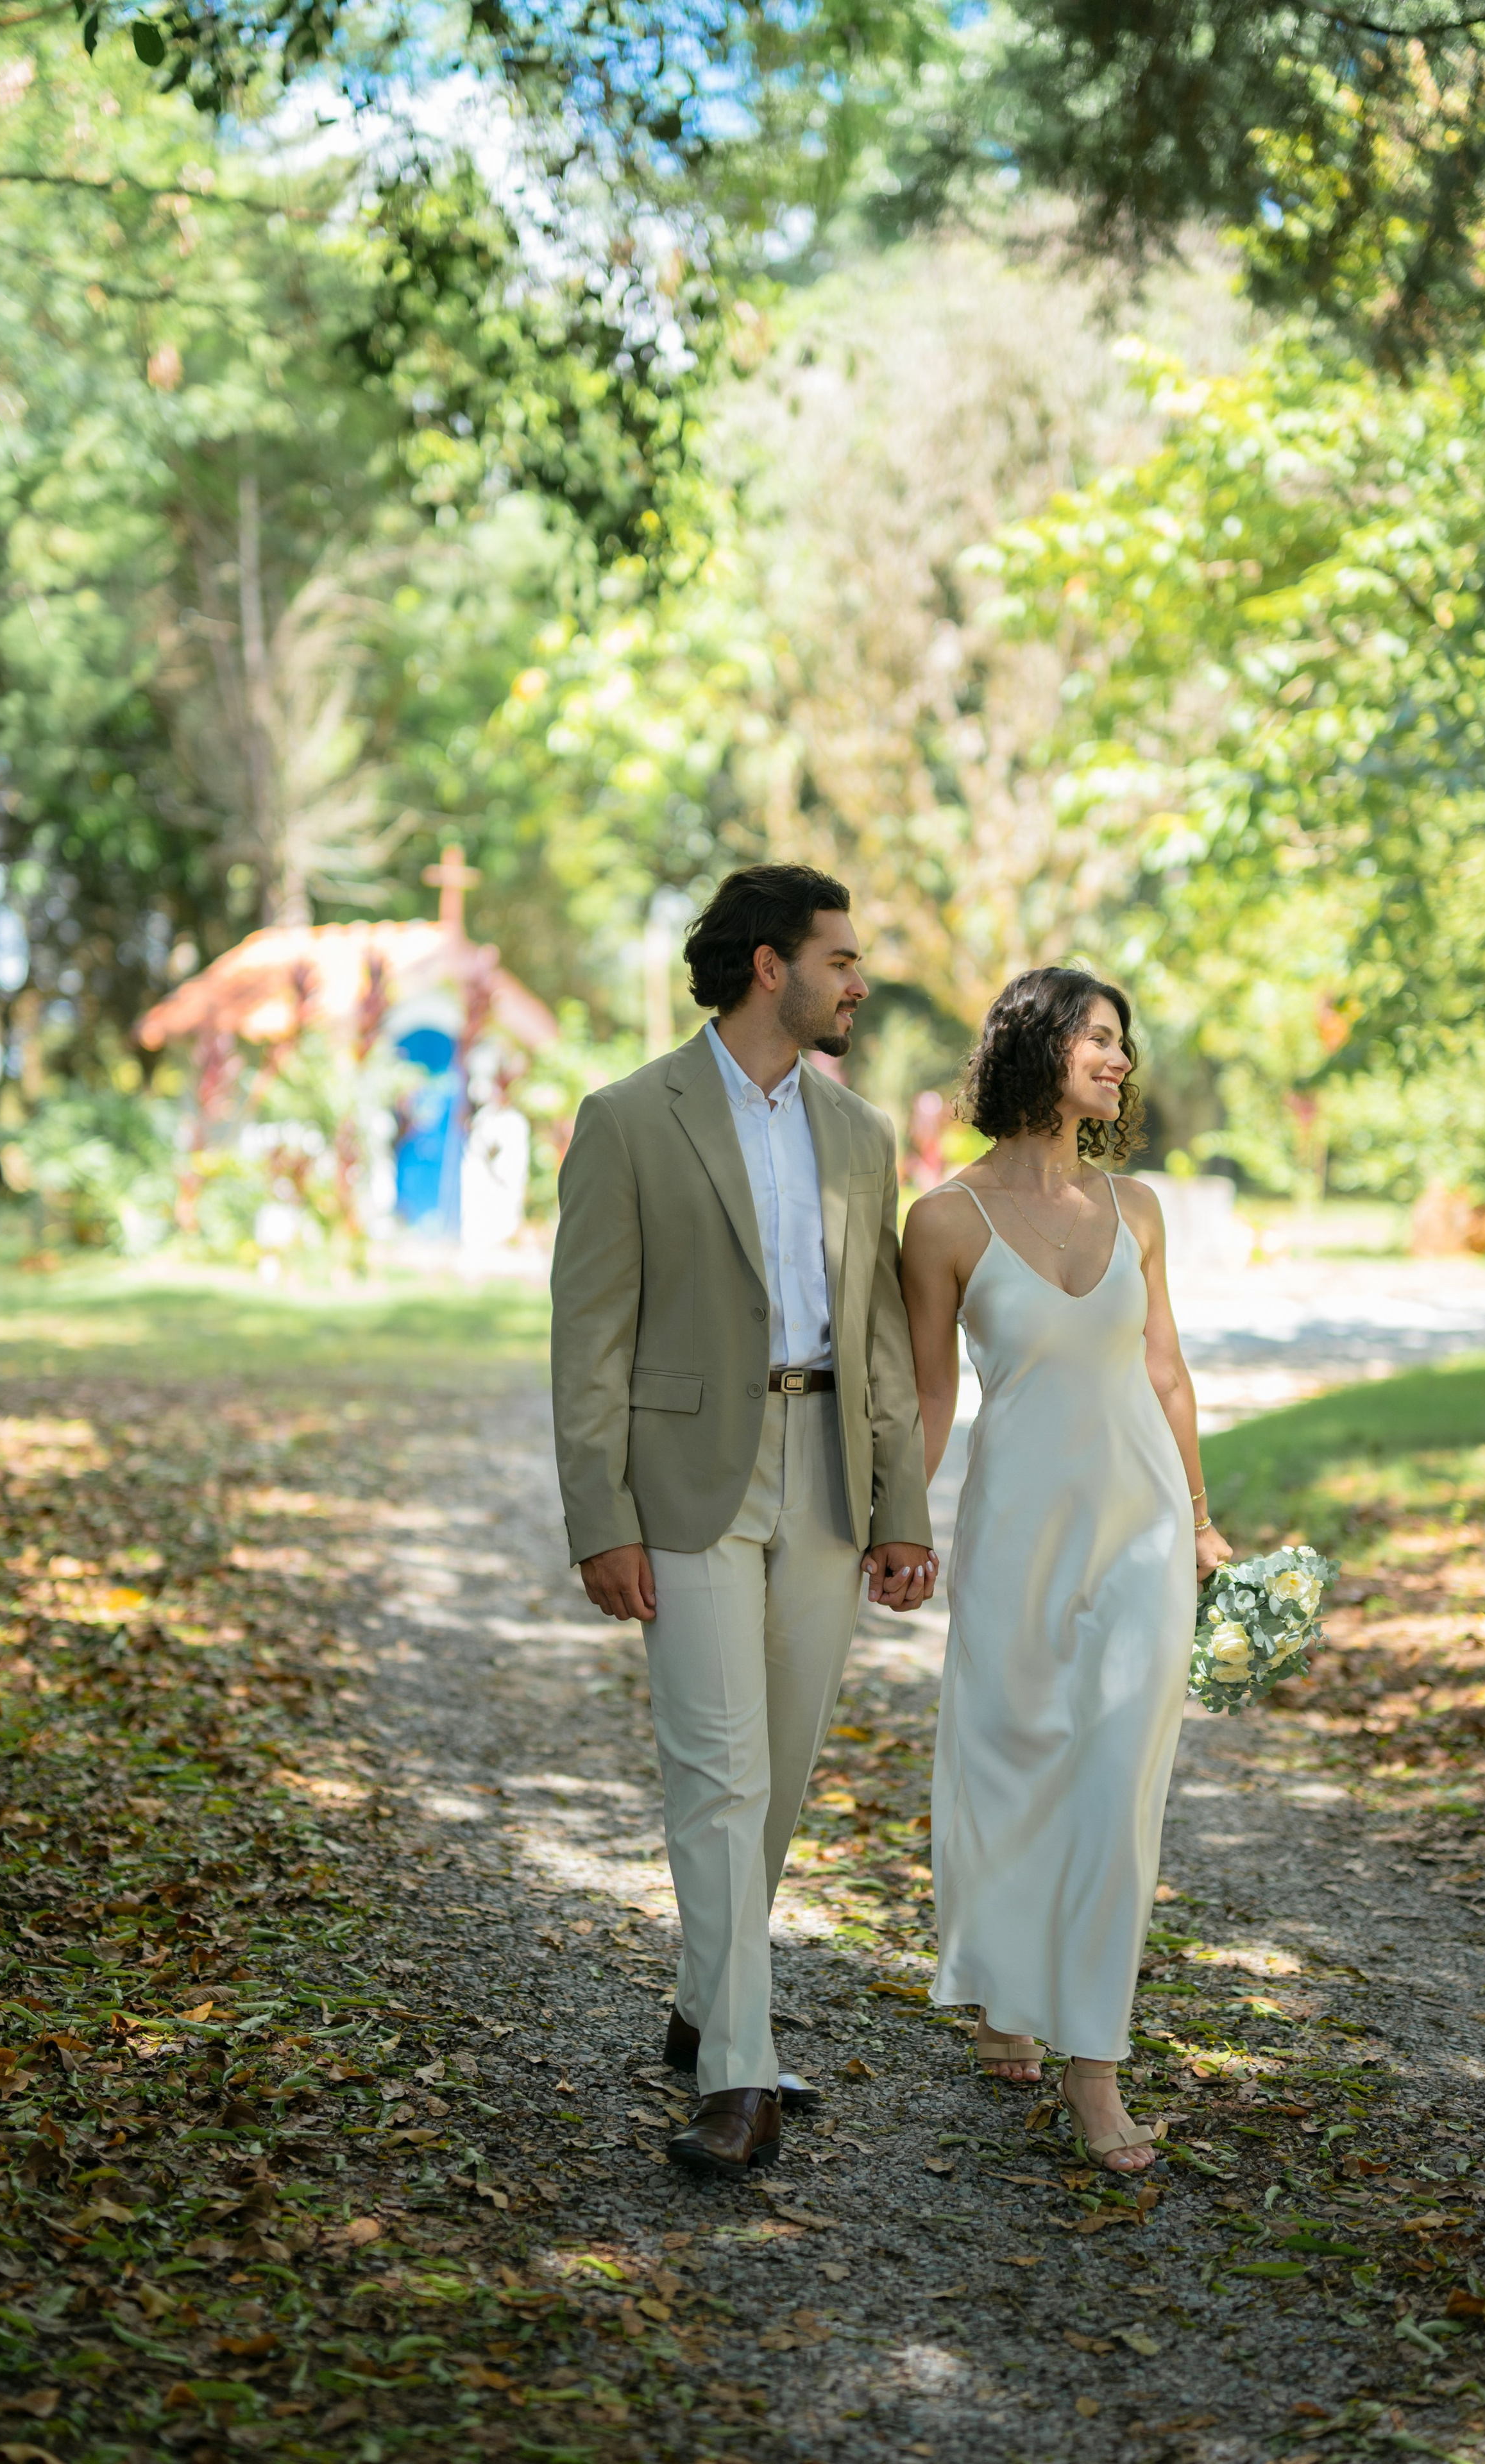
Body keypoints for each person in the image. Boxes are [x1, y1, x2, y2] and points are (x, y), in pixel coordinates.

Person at [551, 863, 937, 2179]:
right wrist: (596, 1513)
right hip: (686, 1479)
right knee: (714, 1772)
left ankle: (706, 1996)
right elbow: (587, 1337)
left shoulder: (859, 1135)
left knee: (773, 1774)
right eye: (840, 957)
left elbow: (879, 1339)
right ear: (768, 965)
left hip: (823, 1470)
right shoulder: (626, 1119)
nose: (857, 980)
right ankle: (738, 2075)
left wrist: (901, 1504)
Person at [899, 967, 1233, 2175]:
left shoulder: (1137, 1206)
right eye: (1099, 1036)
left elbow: (1168, 1374)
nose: (1119, 1059)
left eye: (1123, 1043)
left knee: (1115, 1785)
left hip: (1141, 1526)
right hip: (1017, 1530)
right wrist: (894, 1526)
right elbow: (932, 1398)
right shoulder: (942, 1221)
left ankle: (1094, 2066)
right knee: (1008, 1757)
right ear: (1039, 1047)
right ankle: (1001, 1986)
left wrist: (1198, 1520)